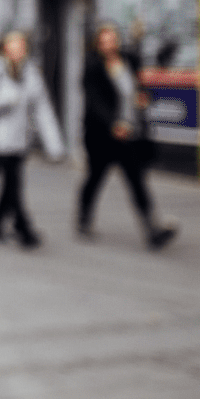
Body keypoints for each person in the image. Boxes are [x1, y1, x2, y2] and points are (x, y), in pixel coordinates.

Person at [77, 22, 178, 249]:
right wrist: (113, 124)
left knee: (136, 181)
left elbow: (138, 87)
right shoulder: (92, 67)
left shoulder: (129, 60)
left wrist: (144, 97)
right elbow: (95, 102)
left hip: (128, 134)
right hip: (102, 136)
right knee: (95, 178)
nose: (109, 44)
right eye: (104, 41)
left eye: (112, 39)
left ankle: (152, 230)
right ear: (97, 44)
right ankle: (83, 217)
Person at [0, 30, 64, 248]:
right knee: (13, 184)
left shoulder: (31, 73)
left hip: (20, 140)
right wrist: (5, 99)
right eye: (13, 45)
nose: (18, 49)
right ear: (3, 47)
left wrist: (54, 145)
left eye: (21, 45)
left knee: (11, 185)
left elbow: (42, 110)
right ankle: (24, 229)